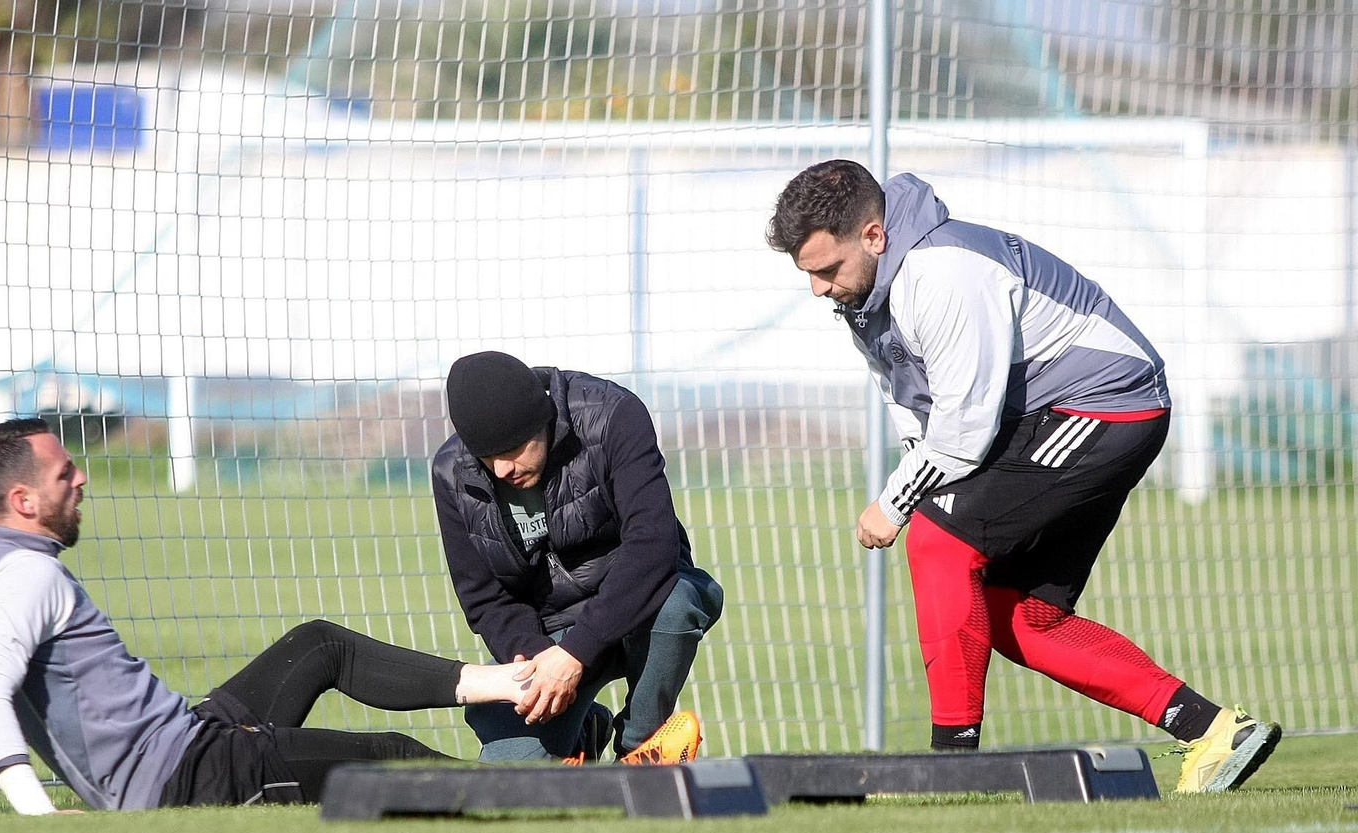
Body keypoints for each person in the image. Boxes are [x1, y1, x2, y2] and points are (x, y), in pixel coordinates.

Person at [766, 159, 1280, 793]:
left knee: (936, 538)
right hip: (1063, 414)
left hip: (1105, 403)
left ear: (873, 236)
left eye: (826, 270)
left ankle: (952, 768)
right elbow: (915, 406)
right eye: (808, 274)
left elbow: (962, 430)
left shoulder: (942, 271)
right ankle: (1214, 730)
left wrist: (894, 502)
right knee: (1018, 614)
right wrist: (917, 479)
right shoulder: (867, 293)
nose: (818, 288)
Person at [0, 418, 540, 817]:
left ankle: (514, 683)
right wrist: (38, 819)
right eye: (64, 472)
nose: (83, 479)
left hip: (189, 735)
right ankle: (537, 801)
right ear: (22, 499)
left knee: (319, 644)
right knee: (390, 757)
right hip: (188, 778)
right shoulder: (29, 577)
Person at [431, 350, 724, 762]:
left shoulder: (613, 416)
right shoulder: (450, 472)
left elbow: (653, 546)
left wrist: (578, 652)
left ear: (543, 420)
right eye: (486, 457)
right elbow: (484, 599)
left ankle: (638, 747)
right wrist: (541, 664)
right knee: (512, 774)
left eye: (512, 449)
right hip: (548, 638)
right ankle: (586, 730)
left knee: (675, 606)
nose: (500, 471)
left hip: (640, 606)